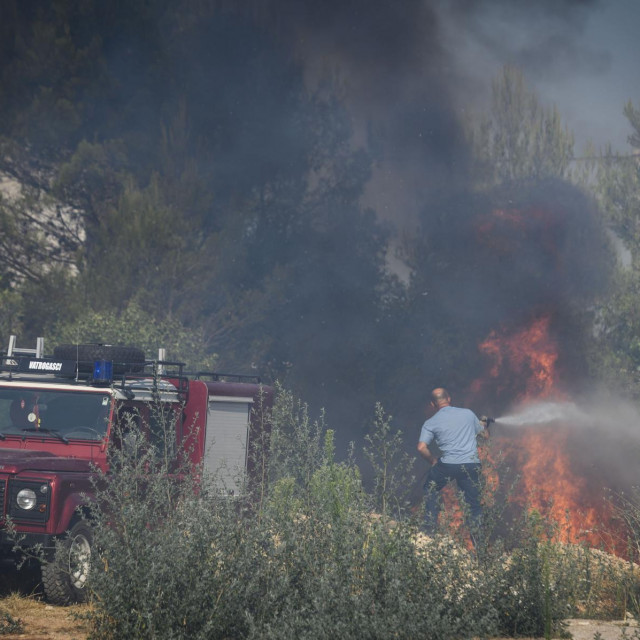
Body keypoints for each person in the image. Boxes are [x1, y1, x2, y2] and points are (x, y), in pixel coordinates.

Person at [417, 387, 489, 536]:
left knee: (430, 488)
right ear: (449, 398)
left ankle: (430, 531)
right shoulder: (468, 414)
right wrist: (483, 424)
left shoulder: (430, 422)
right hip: (471, 464)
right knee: (474, 506)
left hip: (447, 465)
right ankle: (480, 552)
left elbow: (421, 447)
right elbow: (485, 435)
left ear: (432, 404)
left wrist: (432, 460)